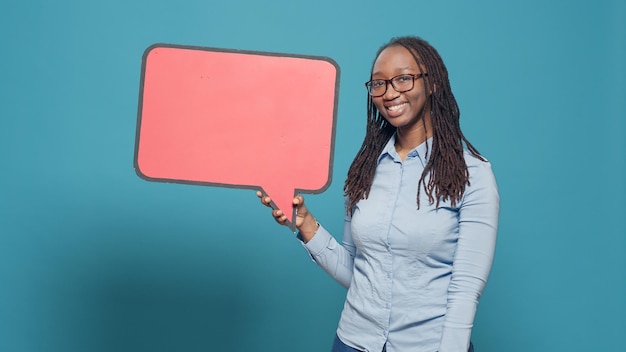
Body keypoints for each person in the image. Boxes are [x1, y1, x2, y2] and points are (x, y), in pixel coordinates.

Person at [257, 36, 499, 352]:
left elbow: (466, 288)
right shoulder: (364, 170)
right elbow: (358, 273)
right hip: (352, 342)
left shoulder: (472, 175)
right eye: (379, 84)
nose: (389, 93)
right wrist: (305, 225)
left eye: (403, 78)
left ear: (432, 83)